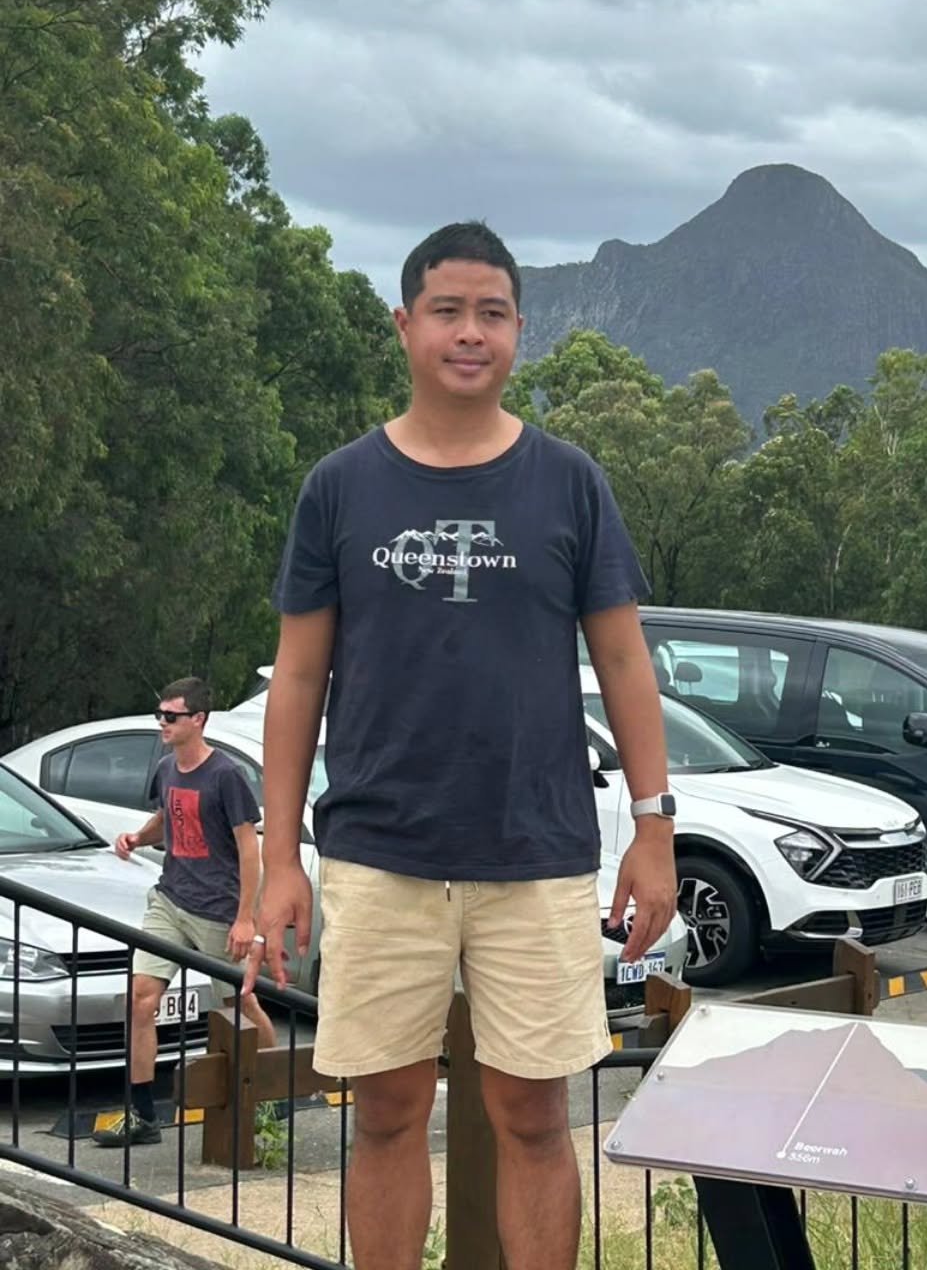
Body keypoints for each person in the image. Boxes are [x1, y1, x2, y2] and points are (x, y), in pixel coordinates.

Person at [244, 220, 676, 1270]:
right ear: (405, 325)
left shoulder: (570, 482)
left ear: (519, 330)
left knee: (534, 1116)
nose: (469, 333)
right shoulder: (340, 487)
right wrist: (279, 853)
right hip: (379, 852)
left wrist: (655, 829)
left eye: (491, 313)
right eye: (447, 311)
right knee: (386, 1111)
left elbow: (625, 663)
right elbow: (298, 678)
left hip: (535, 852)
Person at [96, 676, 276, 1147]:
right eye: (160, 714)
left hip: (217, 910)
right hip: (170, 900)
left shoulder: (226, 776)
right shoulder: (166, 768)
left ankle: (277, 1092)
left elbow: (248, 848)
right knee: (141, 999)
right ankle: (142, 1114)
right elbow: (169, 818)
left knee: (240, 1003)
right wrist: (138, 836)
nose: (162, 723)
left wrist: (245, 919)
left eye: (171, 716)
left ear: (198, 720)